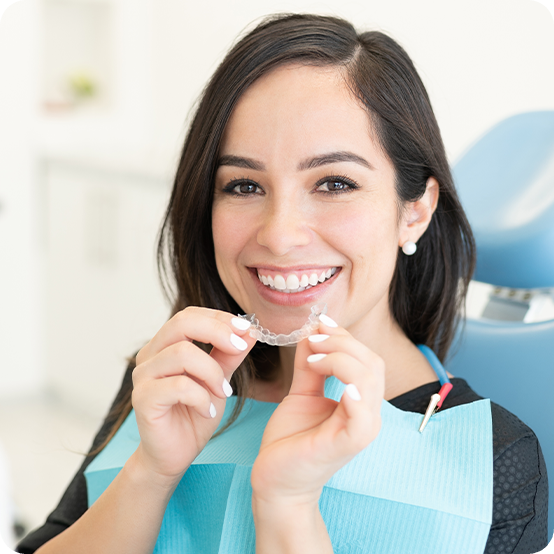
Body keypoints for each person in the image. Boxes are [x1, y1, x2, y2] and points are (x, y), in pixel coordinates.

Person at [18, 13, 547, 554]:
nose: (279, 235)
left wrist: (285, 506)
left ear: (414, 211)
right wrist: (149, 473)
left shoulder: (496, 459)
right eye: (244, 185)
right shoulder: (170, 381)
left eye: (335, 183)